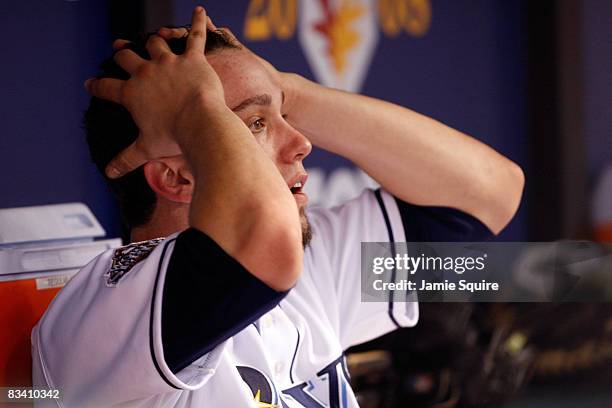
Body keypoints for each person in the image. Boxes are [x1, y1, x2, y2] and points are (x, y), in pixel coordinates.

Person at [32, 6, 524, 407]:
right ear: (176, 176)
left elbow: (488, 194)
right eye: (254, 125)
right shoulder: (115, 306)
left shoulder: (313, 269)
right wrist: (195, 109)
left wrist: (289, 91)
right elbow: (262, 242)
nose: (302, 142)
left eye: (282, 116)